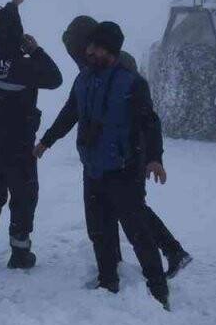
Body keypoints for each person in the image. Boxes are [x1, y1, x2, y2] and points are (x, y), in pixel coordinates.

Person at [36, 21, 170, 309]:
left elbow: (150, 122)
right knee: (99, 231)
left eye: (94, 47)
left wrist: (155, 158)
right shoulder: (83, 80)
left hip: (125, 170)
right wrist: (46, 141)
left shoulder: (132, 84)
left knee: (139, 234)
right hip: (93, 169)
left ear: (108, 50)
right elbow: (69, 113)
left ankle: (159, 293)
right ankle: (107, 281)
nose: (88, 51)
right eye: (89, 46)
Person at [61, 16, 192, 278]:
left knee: (132, 210)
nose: (80, 56)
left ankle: (170, 254)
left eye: (77, 49)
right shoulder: (96, 65)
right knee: (126, 209)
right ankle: (124, 261)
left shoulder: (119, 68)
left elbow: (140, 116)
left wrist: (148, 156)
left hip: (128, 152)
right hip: (112, 153)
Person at [0, 0, 62, 269]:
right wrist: (35, 50)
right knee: (23, 195)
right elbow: (55, 78)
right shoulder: (23, 67)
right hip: (18, 143)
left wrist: (13, 6)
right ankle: (20, 253)